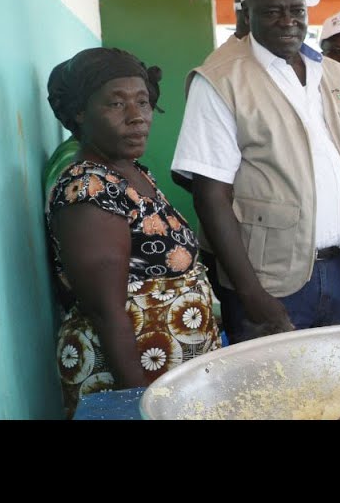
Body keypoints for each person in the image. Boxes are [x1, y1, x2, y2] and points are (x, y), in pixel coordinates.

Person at [172, 0, 340, 344]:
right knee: (271, 397)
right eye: (272, 11)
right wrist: (251, 293)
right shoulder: (221, 80)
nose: (288, 21)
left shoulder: (335, 74)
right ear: (246, 15)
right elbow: (210, 196)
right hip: (271, 280)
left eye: (297, 11)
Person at [45, 48, 221, 418]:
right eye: (116, 104)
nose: (137, 116)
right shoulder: (89, 188)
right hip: (128, 377)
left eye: (143, 102)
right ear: (80, 112)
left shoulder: (132, 172)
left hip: (167, 371)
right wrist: (139, 401)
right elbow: (106, 311)